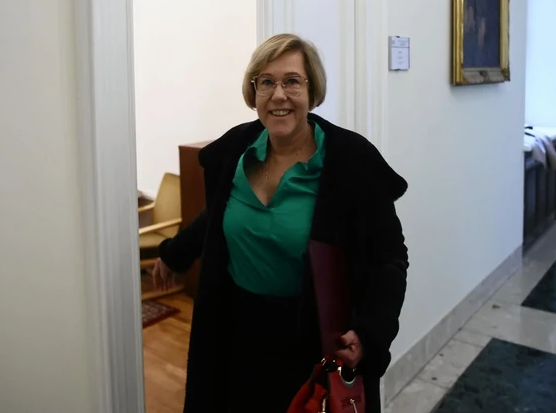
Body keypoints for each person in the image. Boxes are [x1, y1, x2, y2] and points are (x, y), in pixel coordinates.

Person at [152, 33, 409, 413]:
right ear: (253, 91)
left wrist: (372, 330)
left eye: (292, 81)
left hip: (313, 341)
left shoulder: (351, 161)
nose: (278, 95)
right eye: (266, 82)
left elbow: (390, 258)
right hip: (236, 333)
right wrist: (174, 253)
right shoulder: (237, 151)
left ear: (312, 90)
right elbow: (219, 213)